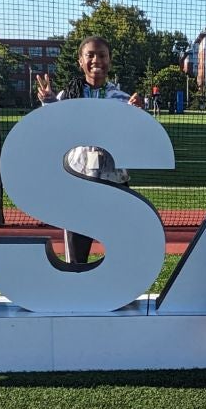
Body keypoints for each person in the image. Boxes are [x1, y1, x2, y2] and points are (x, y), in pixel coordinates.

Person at [35, 36, 144, 263]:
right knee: (77, 254)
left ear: (110, 61)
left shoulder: (123, 100)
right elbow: (53, 130)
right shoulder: (67, 97)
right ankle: (77, 291)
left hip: (113, 181)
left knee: (121, 247)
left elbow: (135, 138)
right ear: (80, 61)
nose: (97, 60)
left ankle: (117, 293)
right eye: (90, 55)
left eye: (102, 55)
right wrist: (48, 103)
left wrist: (137, 114)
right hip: (78, 180)